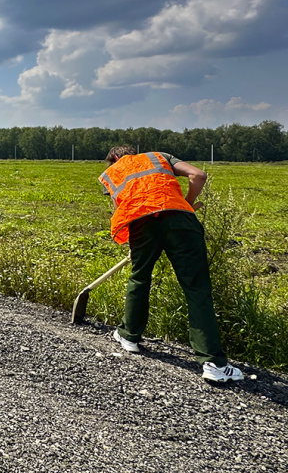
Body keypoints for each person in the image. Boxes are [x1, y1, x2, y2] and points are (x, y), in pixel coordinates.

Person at [99, 146, 241, 383]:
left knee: (139, 277)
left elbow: (121, 208)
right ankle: (213, 364)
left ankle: (129, 337)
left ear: (114, 158)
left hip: (141, 223)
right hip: (180, 220)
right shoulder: (158, 157)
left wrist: (135, 243)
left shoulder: (112, 172)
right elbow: (199, 175)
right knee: (196, 288)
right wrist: (187, 203)